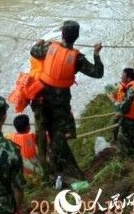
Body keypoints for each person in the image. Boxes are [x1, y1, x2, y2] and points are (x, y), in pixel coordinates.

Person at [30, 20, 104, 180]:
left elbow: (34, 51)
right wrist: (96, 54)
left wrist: (39, 42)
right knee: (62, 131)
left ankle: (46, 167)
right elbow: (97, 73)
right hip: (60, 103)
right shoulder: (77, 58)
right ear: (76, 37)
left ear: (62, 34)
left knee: (42, 130)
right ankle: (55, 162)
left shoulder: (49, 47)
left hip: (41, 98)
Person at [106, 68, 134, 142]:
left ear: (129, 78)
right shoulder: (124, 85)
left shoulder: (130, 91)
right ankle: (114, 139)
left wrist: (112, 99)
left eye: (123, 75)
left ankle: (116, 141)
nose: (121, 77)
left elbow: (124, 107)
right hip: (120, 109)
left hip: (125, 114)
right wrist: (115, 95)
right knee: (114, 125)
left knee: (115, 124)